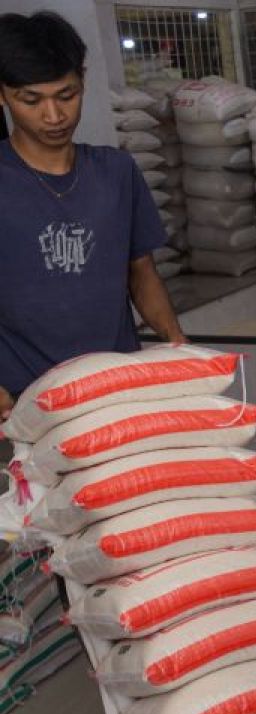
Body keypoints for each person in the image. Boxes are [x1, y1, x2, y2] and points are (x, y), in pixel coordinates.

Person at [0, 11, 185, 424]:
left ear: (83, 82)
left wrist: (177, 343)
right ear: (3, 95)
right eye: (31, 100)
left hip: (115, 389)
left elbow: (142, 272)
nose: (53, 116)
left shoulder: (116, 172)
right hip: (22, 404)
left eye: (67, 95)